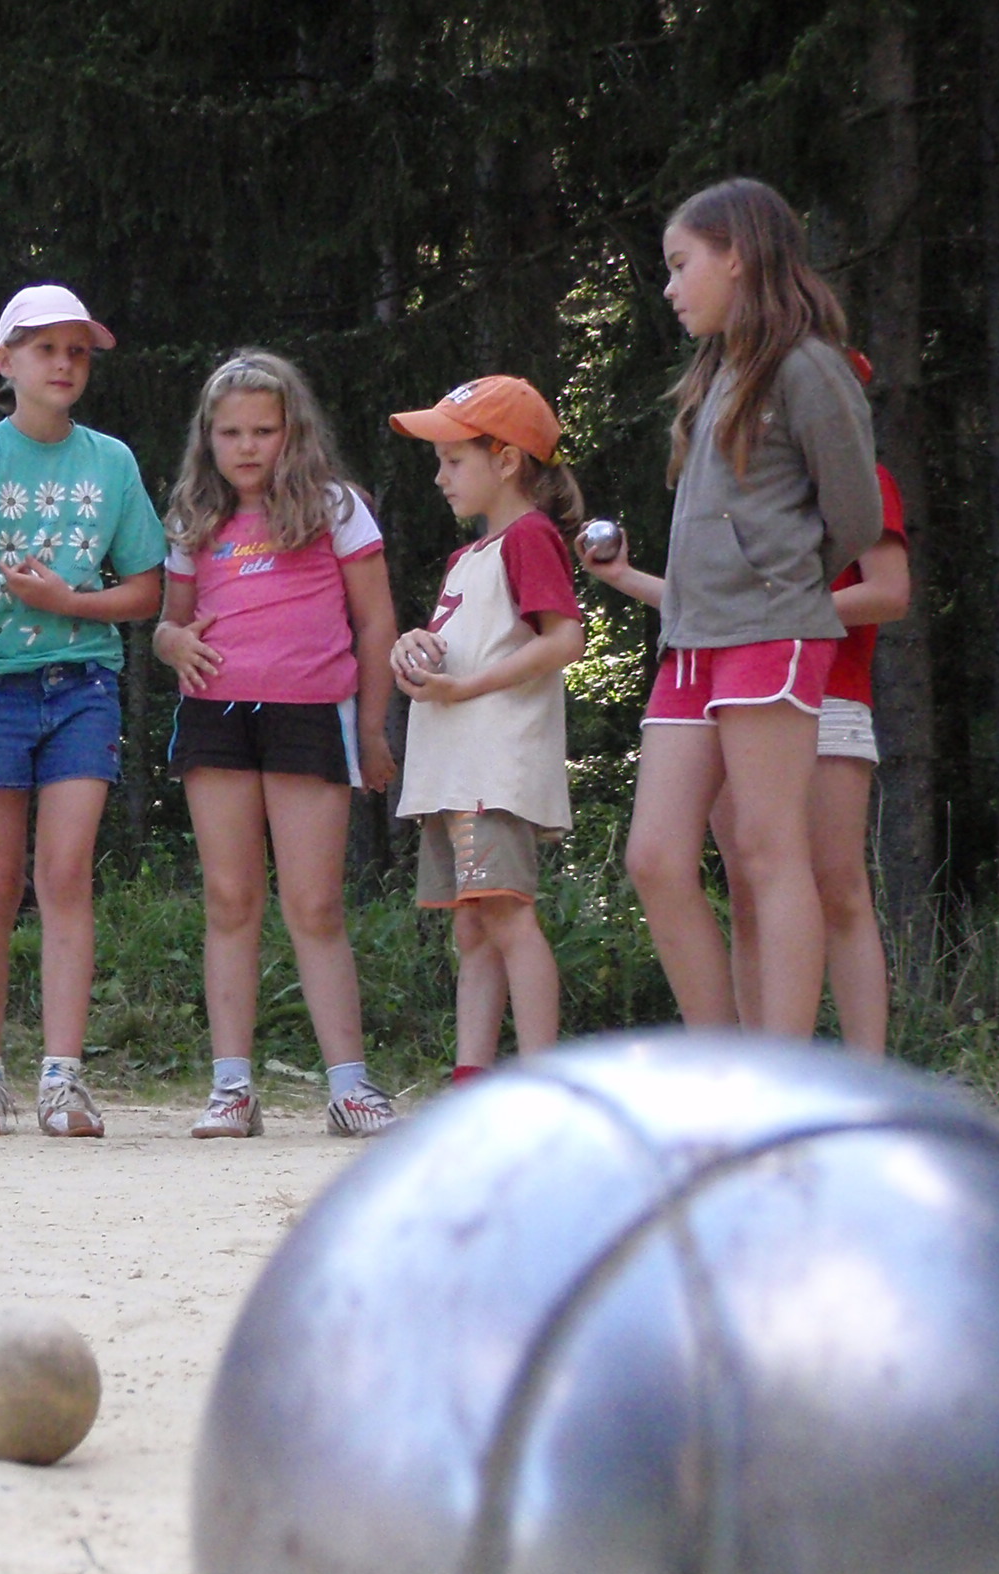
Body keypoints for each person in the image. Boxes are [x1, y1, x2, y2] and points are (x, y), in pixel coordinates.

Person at [588, 178, 882, 1038]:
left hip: (772, 635)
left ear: (738, 258)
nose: (670, 287)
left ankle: (773, 1079)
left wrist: (780, 581)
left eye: (681, 265)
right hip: (691, 643)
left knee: (765, 848)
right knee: (655, 857)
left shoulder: (809, 365)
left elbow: (857, 517)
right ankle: (721, 1065)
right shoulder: (717, 372)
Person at [0, 286, 166, 1139]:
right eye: (45, 348)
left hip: (83, 686)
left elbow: (147, 590)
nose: (64, 364)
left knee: (66, 873)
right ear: (3, 362)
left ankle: (62, 1078)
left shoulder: (112, 462)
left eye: (77, 351)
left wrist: (69, 603)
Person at [149, 350, 401, 1139]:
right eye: (231, 433)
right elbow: (169, 623)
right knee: (230, 899)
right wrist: (170, 643)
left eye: (264, 430)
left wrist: (372, 727)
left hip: (311, 714)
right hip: (216, 716)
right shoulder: (192, 514)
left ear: (294, 431)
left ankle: (351, 1088)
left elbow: (376, 622)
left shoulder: (335, 506)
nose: (248, 446)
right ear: (208, 438)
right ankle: (232, 1088)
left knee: (315, 903)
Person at [584, 455, 909, 1053]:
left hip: (829, 692)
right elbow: (711, 610)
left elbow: (890, 591)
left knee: (838, 887)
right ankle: (756, 1071)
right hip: (731, 691)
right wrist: (625, 577)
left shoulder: (853, 471)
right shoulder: (722, 489)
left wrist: (774, 613)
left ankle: (868, 1079)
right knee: (749, 891)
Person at [384, 376, 589, 1082]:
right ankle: (472, 1082)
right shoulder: (468, 557)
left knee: (505, 917)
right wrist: (411, 649)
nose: (440, 477)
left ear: (505, 461)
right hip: (456, 773)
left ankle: (540, 1089)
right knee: (473, 926)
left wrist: (464, 687)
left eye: (453, 460)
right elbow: (460, 650)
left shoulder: (529, 536)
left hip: (491, 773)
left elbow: (565, 639)